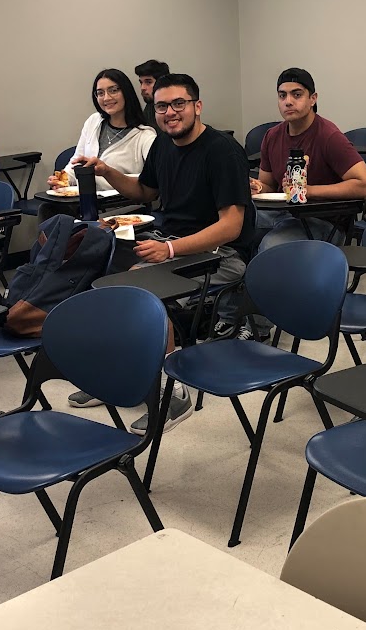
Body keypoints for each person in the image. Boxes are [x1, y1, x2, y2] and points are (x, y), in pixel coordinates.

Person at [75, 73, 253, 434]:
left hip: (221, 253)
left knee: (145, 287)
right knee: (100, 268)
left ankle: (175, 391)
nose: (170, 113)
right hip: (170, 240)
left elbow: (231, 226)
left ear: (197, 106)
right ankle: (121, 372)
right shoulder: (164, 146)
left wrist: (170, 249)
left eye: (179, 104)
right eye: (161, 106)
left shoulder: (222, 152)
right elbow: (144, 192)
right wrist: (107, 171)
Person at [250, 66, 366, 245]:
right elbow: (269, 185)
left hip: (323, 220)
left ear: (313, 99)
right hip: (283, 213)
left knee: (272, 245)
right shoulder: (272, 135)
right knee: (236, 229)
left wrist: (308, 190)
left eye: (297, 94)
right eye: (282, 95)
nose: (288, 101)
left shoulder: (328, 136)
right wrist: (258, 188)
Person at [54, 69, 156, 193]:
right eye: (100, 93)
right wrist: (63, 180)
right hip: (84, 198)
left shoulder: (145, 136)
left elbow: (149, 180)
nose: (106, 98)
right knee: (47, 207)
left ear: (126, 92)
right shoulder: (93, 121)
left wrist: (106, 173)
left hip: (119, 204)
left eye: (113, 90)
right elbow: (76, 163)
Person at [134, 59, 169, 129]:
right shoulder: (150, 106)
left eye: (148, 82)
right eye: (141, 82)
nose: (142, 88)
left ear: (162, 82)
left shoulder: (171, 110)